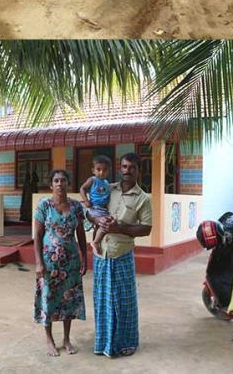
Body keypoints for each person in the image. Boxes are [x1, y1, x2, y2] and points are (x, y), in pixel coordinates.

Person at [92, 153, 152, 358]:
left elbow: (146, 229)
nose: (127, 171)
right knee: (102, 301)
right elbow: (91, 209)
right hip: (101, 254)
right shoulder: (108, 188)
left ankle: (127, 343)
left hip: (122, 254)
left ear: (138, 171)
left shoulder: (143, 198)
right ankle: (103, 344)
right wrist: (96, 219)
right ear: (120, 168)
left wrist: (120, 227)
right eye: (124, 167)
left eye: (132, 168)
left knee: (124, 302)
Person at [33, 169, 87, 357]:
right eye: (56, 180)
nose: (59, 183)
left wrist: (84, 257)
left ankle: (66, 339)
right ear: (51, 185)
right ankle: (49, 339)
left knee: (68, 300)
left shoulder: (76, 207)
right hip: (49, 263)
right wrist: (39, 262)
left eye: (63, 180)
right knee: (48, 299)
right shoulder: (44, 206)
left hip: (70, 263)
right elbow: (38, 236)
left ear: (68, 183)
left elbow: (81, 234)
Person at [79, 153, 113, 257]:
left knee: (100, 226)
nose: (101, 172)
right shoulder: (93, 180)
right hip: (94, 208)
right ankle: (96, 242)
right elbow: (82, 188)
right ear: (93, 170)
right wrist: (86, 200)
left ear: (109, 171)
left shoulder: (107, 183)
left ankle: (95, 242)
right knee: (104, 224)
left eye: (105, 170)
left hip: (103, 209)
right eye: (98, 169)